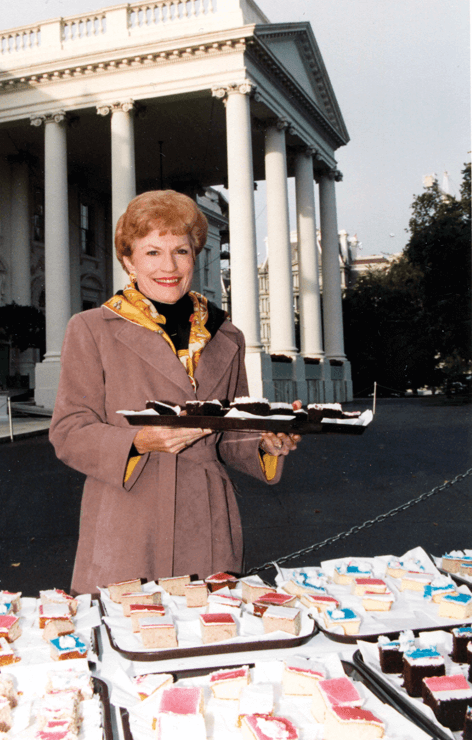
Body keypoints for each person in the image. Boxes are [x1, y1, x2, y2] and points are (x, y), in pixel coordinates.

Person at [49, 190, 301, 595]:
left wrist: (266, 444)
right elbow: (69, 430)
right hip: (127, 518)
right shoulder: (90, 329)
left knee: (210, 639)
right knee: (133, 642)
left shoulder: (226, 335)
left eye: (180, 251)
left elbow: (234, 434)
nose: (168, 266)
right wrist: (140, 440)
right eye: (152, 252)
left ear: (195, 257)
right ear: (129, 261)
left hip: (208, 521)